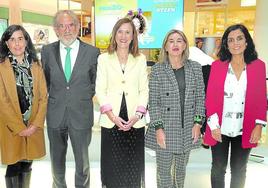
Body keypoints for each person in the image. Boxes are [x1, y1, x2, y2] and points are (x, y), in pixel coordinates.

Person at [41, 10, 100, 188]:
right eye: (62, 26)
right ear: (56, 29)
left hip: (81, 115)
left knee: (82, 164)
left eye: (71, 25)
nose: (67, 30)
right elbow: (45, 81)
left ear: (78, 27)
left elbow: (94, 83)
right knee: (56, 163)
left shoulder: (92, 52)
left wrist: (79, 98)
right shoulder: (47, 51)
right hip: (55, 114)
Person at [204, 24, 267, 188]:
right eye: (230, 40)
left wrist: (259, 125)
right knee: (218, 168)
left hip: (245, 127)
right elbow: (210, 97)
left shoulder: (259, 66)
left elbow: (261, 98)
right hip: (220, 127)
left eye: (239, 38)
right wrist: (213, 126)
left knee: (239, 169)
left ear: (247, 41)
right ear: (226, 44)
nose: (235, 43)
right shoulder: (217, 66)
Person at [145, 29, 205, 188]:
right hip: (164, 129)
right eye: (171, 41)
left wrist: (198, 123)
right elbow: (154, 101)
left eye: (179, 40)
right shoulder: (158, 70)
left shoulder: (196, 68)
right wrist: (158, 129)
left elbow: (200, 97)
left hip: (188, 129)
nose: (175, 44)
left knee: (180, 171)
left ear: (185, 45)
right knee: (163, 172)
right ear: (165, 46)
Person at [96, 18, 149, 188]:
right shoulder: (103, 59)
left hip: (134, 120)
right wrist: (112, 116)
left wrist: (137, 115)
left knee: (133, 166)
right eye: (120, 31)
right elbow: (100, 90)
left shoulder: (140, 59)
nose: (124, 36)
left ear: (133, 36)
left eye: (128, 32)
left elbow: (144, 90)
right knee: (113, 166)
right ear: (114, 34)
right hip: (112, 120)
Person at [0, 25, 48, 188]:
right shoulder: (1, 66)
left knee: (27, 162)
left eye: (20, 39)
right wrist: (19, 127)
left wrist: (35, 125)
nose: (17, 43)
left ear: (26, 41)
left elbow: (43, 97)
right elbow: (2, 100)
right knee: (13, 165)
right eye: (12, 39)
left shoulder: (36, 64)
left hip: (33, 124)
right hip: (11, 126)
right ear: (6, 43)